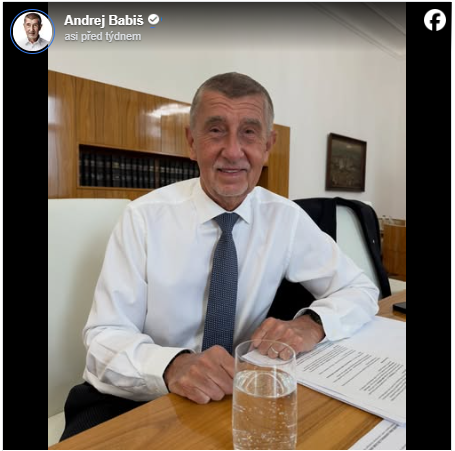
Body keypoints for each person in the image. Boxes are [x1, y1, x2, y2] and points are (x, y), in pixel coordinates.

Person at [60, 72, 379, 439]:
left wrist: (312, 324)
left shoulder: (285, 218)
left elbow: (361, 289)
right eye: (215, 130)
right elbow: (103, 337)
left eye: (249, 132)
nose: (233, 151)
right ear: (191, 142)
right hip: (138, 395)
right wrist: (172, 366)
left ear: (268, 145)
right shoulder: (143, 218)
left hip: (234, 394)